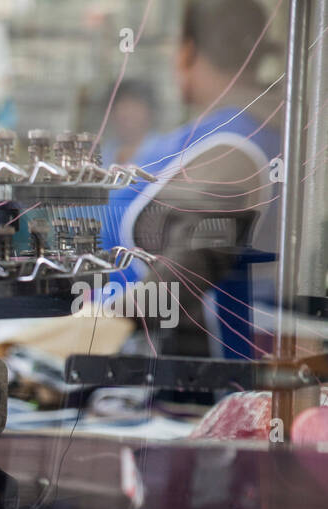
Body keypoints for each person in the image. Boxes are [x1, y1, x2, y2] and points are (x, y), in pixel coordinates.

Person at [104, 0, 282, 359]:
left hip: (208, 372)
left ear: (186, 52)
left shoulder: (236, 147)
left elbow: (187, 269)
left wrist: (101, 324)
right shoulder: (236, 130)